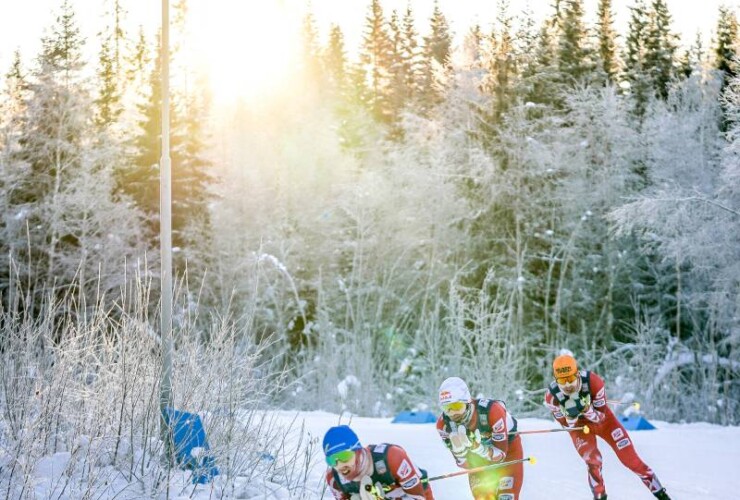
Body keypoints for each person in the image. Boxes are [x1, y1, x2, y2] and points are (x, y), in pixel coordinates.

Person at [544, 353, 671, 500]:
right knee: (594, 462)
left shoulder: (593, 382)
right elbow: (567, 426)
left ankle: (662, 495)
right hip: (579, 428)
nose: (567, 385)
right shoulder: (552, 398)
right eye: (562, 380)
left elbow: (601, 417)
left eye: (570, 379)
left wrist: (587, 410)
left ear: (577, 374)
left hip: (604, 422)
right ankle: (600, 497)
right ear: (555, 379)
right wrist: (571, 418)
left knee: (631, 461)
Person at [436, 377, 524, 500]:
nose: (453, 413)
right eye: (447, 408)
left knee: (506, 497)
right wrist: (460, 453)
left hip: (509, 451)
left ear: (468, 401)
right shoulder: (443, 425)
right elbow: (465, 465)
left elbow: (500, 456)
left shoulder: (492, 411)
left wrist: (478, 448)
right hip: (478, 461)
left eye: (456, 406)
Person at [323, 425, 435, 500]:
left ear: (357, 450)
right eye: (332, 460)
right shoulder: (334, 478)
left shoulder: (392, 457)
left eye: (344, 456)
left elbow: (418, 497)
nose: (340, 465)